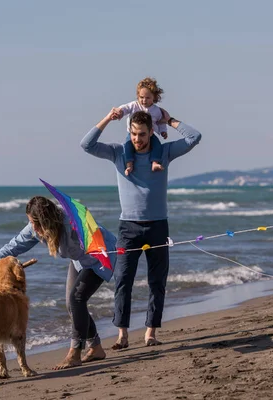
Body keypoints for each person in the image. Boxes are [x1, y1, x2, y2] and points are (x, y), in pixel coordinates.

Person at [81, 108, 202, 348]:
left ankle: (151, 333)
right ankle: (122, 335)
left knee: (157, 282)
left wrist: (169, 120)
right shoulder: (118, 153)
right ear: (130, 133)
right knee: (123, 280)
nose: (138, 139)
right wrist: (107, 118)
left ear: (150, 133)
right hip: (128, 228)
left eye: (143, 135)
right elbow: (86, 144)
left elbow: (194, 137)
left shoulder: (164, 153)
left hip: (158, 225)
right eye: (134, 134)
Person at [0, 196, 117, 369]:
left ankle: (75, 353)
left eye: (33, 222)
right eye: (30, 222)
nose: (32, 226)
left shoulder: (72, 225)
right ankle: (96, 348)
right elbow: (16, 244)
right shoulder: (35, 229)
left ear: (45, 221)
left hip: (100, 257)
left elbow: (95, 232)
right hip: (79, 261)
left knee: (77, 299)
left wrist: (89, 241)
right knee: (71, 303)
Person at [115, 77, 168, 176]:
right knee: (127, 146)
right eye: (141, 97)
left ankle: (155, 162)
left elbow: (161, 122)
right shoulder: (134, 105)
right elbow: (125, 108)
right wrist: (120, 111)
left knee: (157, 146)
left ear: (154, 98)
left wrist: (163, 131)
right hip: (133, 134)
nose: (144, 100)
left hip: (149, 134)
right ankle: (129, 164)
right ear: (137, 96)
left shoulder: (156, 110)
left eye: (148, 98)